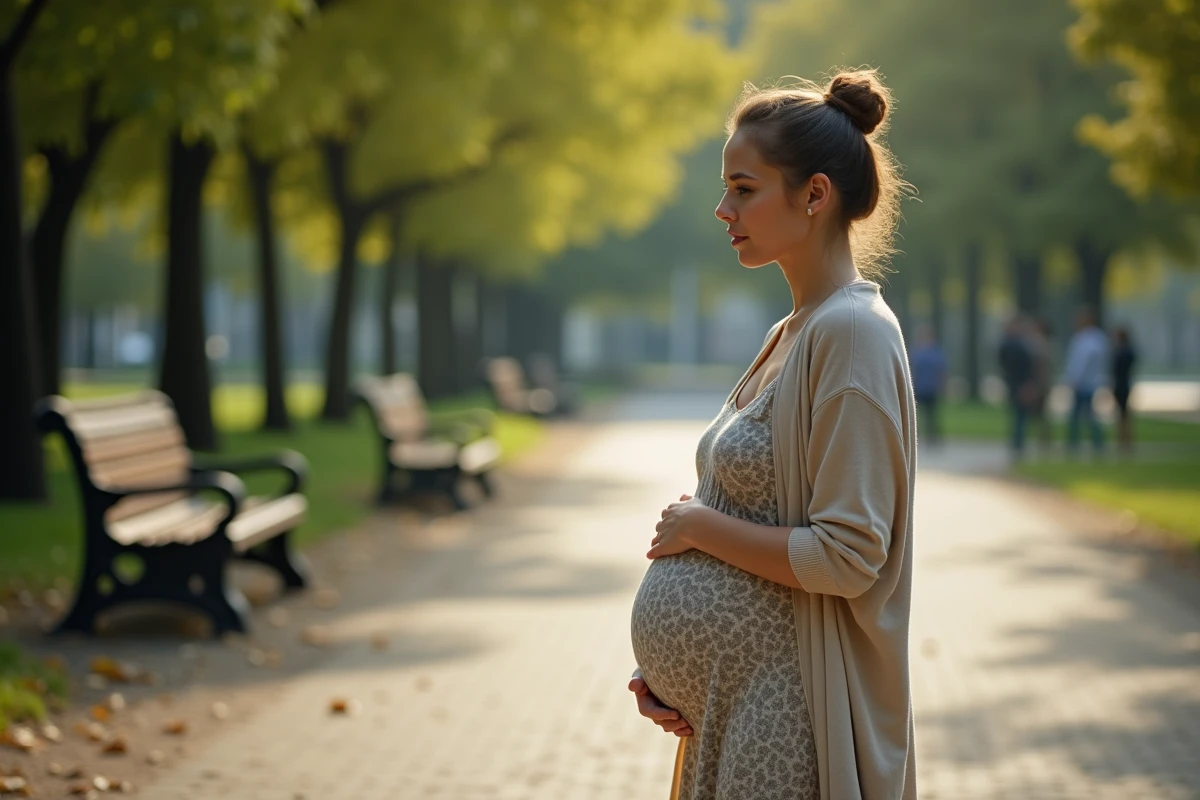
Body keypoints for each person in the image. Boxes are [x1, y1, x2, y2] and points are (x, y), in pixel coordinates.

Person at [628, 70, 917, 800]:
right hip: (736, 705)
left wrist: (699, 527)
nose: (722, 209)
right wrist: (666, 670)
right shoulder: (793, 331)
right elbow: (759, 515)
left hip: (790, 714)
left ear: (814, 195)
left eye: (744, 188)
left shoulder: (852, 335)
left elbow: (850, 553)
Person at [1063, 306, 1109, 455]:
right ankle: (1076, 443)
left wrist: (1076, 378)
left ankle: (1092, 443)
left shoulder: (1094, 339)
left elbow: (1085, 362)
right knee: (1079, 415)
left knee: (1085, 414)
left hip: (1087, 383)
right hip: (1082, 382)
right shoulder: (1081, 337)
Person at [997, 315, 1035, 458]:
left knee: (1018, 414)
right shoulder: (1019, 345)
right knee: (1020, 415)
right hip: (1019, 383)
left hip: (1014, 383)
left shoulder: (1008, 344)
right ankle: (1018, 443)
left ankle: (1016, 442)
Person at [909, 326, 948, 446]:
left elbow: (942, 371)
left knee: (932, 415)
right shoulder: (917, 352)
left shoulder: (935, 353)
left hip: (931, 388)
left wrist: (942, 385)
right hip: (919, 388)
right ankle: (916, 438)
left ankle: (933, 439)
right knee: (916, 416)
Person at [1026, 317, 1055, 450]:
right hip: (1043, 383)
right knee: (1041, 413)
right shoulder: (1046, 343)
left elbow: (1040, 367)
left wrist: (1037, 384)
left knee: (1040, 413)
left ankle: (1043, 440)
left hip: (1040, 383)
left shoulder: (1039, 343)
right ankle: (1043, 439)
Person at [1110, 326, 1137, 452]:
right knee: (1123, 413)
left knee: (1123, 414)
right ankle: (1124, 440)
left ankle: (1125, 441)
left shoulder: (1123, 351)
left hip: (1122, 384)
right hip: (1123, 383)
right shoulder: (1127, 351)